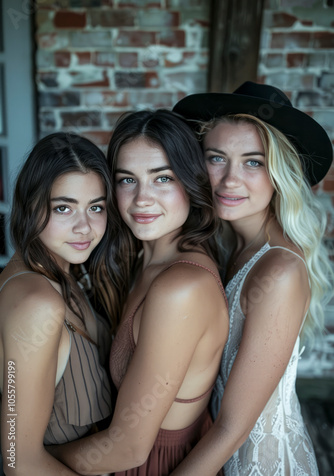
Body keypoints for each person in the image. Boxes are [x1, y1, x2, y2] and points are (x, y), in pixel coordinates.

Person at [48, 110, 228, 476]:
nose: (142, 198)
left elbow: (128, 448)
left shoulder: (181, 289)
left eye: (162, 178)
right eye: (127, 179)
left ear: (191, 182)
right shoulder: (141, 260)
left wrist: (31, 459)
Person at [171, 81, 334, 475]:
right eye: (216, 158)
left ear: (281, 172)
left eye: (253, 162)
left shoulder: (279, 270)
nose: (229, 179)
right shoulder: (231, 245)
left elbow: (234, 427)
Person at [0, 132, 118, 476]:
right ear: (31, 206)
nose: (84, 227)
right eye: (63, 208)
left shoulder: (64, 276)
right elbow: (16, 458)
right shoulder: (37, 304)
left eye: (95, 207)